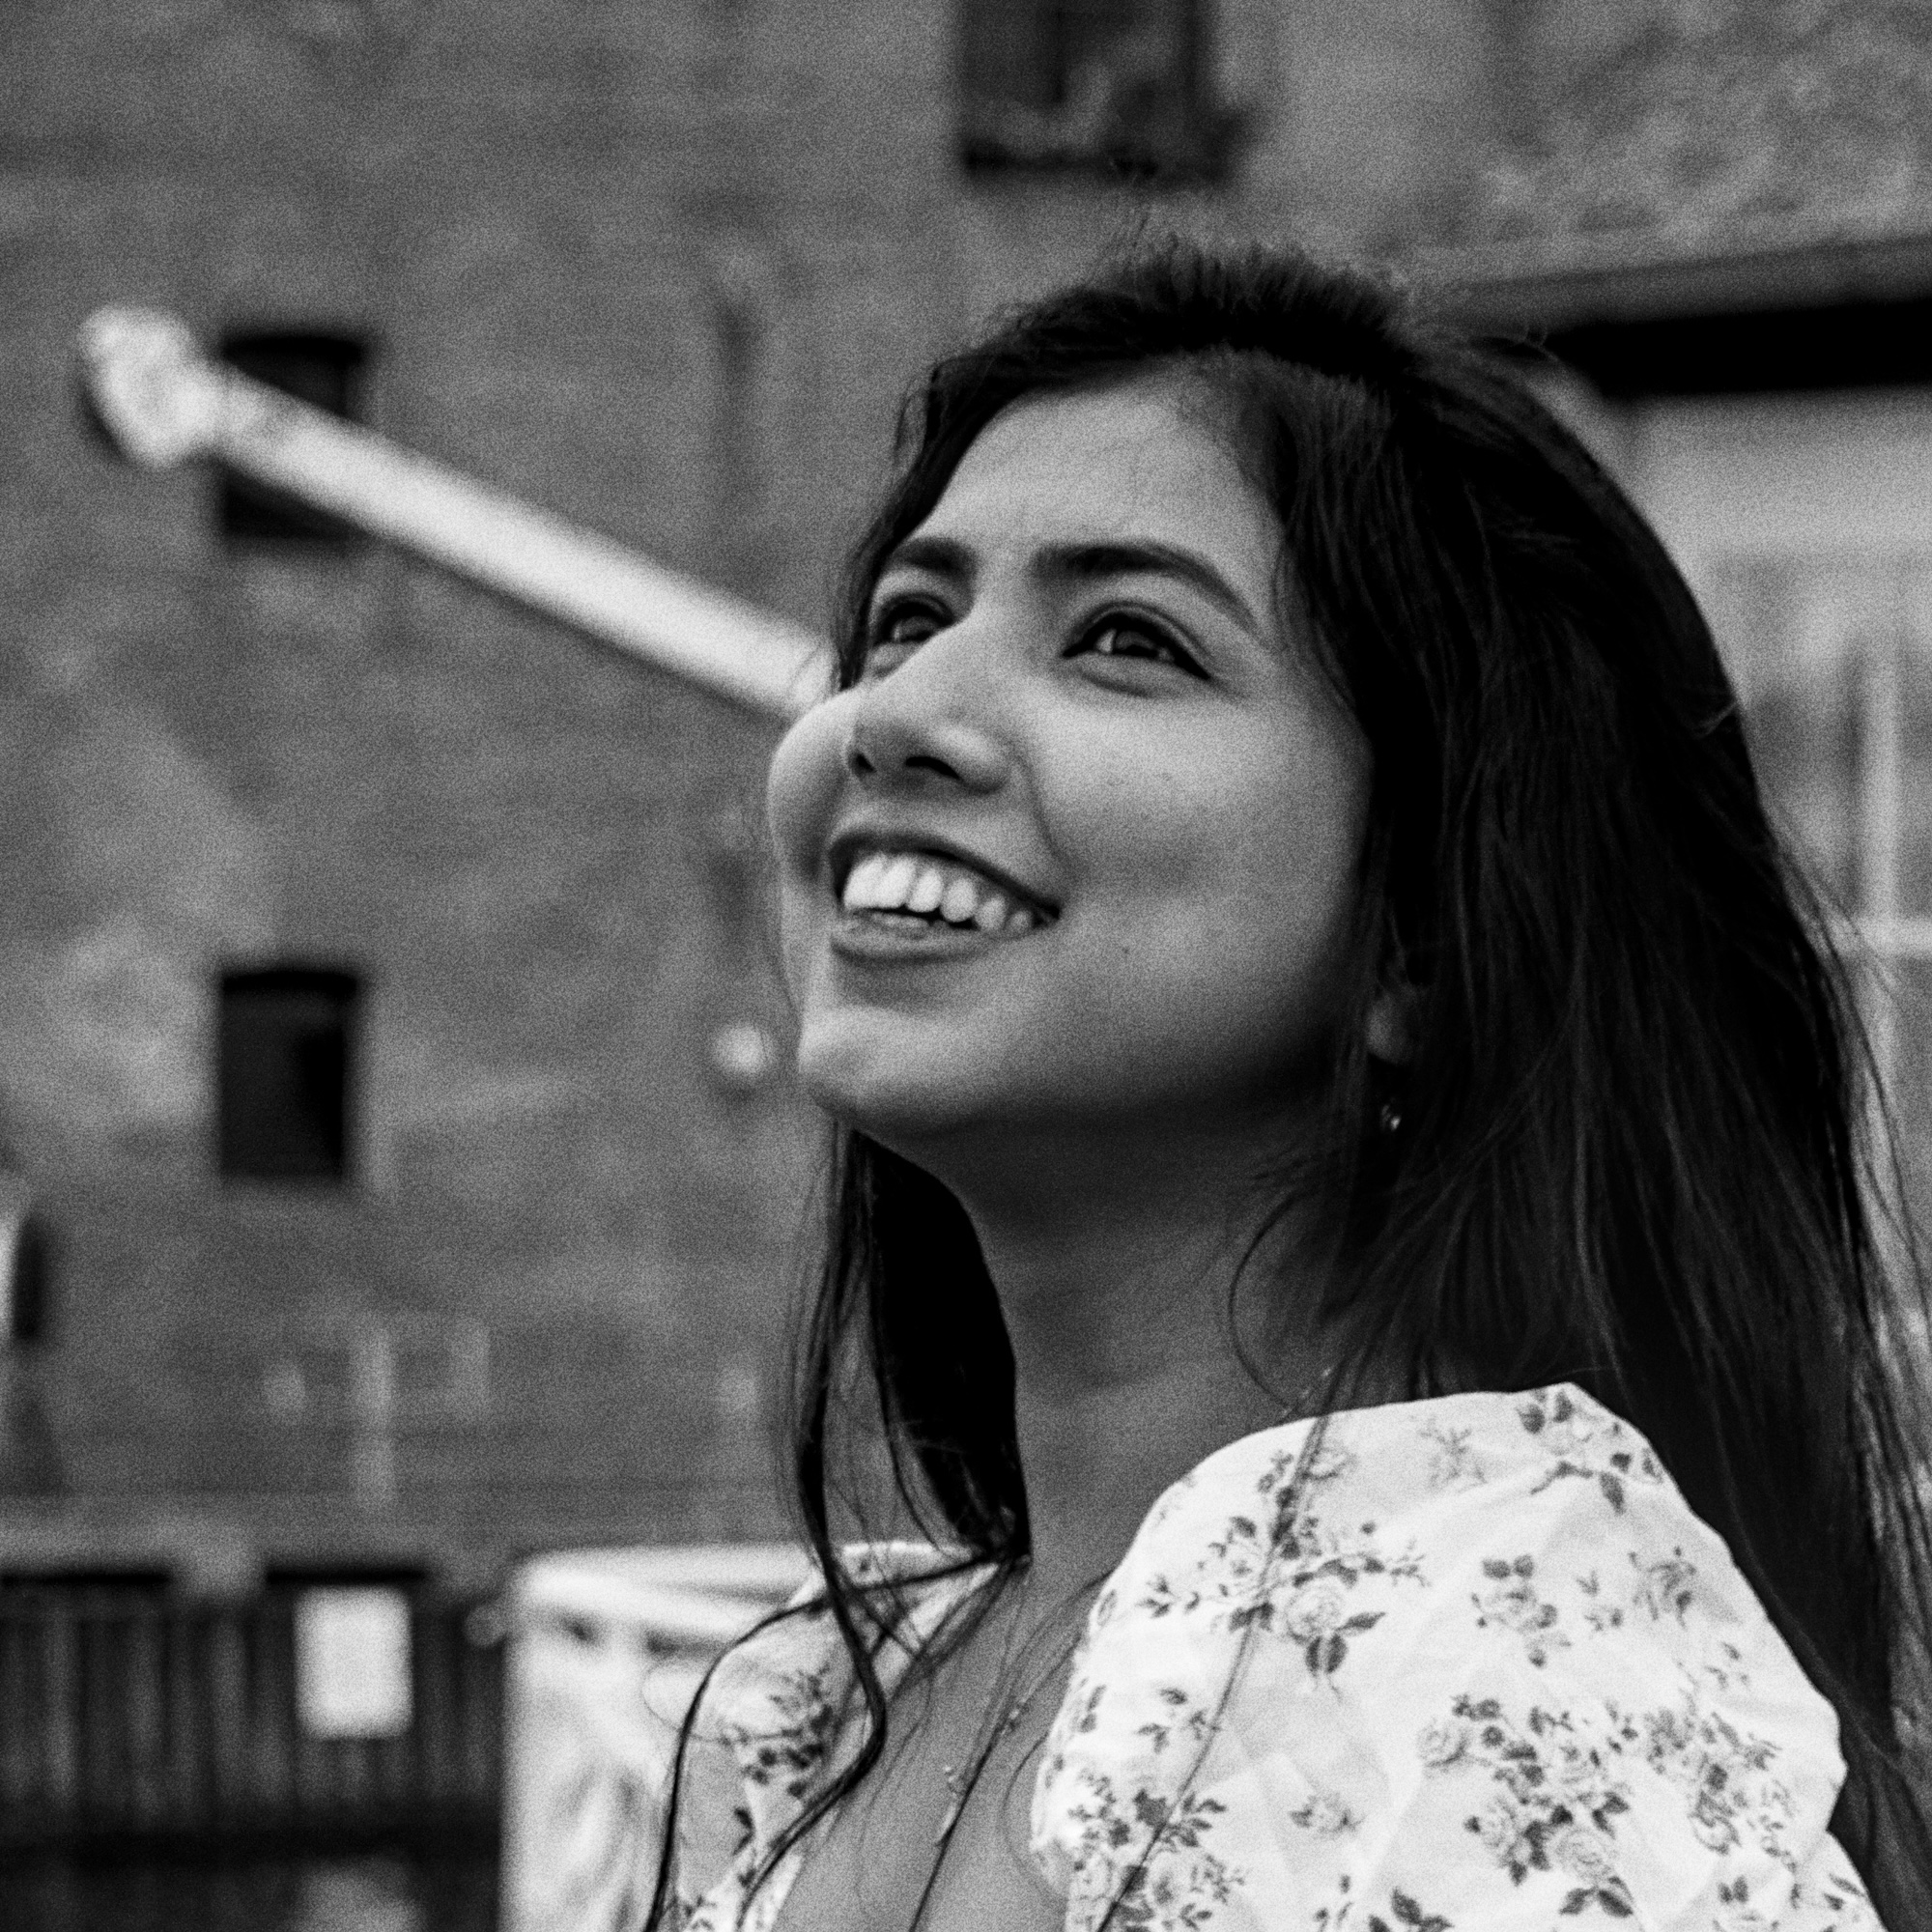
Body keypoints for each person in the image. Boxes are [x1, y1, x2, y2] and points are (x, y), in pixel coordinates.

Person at [647, 240, 1932, 1931]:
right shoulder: (821, 1714)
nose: (896, 717)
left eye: (1125, 638)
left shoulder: (1496, 1691)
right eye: (910, 617)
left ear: (1423, 936)